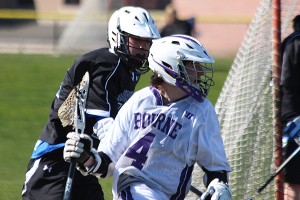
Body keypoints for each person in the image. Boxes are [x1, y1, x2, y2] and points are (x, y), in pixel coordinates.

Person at [63, 35, 232, 199]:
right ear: (170, 67)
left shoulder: (202, 110)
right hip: (132, 187)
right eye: (193, 66)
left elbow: (215, 168)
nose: (201, 73)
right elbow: (106, 164)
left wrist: (218, 187)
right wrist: (86, 157)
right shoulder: (139, 101)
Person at [21, 6, 160, 200]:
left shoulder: (127, 69)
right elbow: (102, 123)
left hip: (85, 159)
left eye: (147, 42)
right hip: (58, 158)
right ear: (117, 36)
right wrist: (133, 155)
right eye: (137, 40)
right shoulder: (106, 64)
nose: (143, 48)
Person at [281, 15, 300, 200]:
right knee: (295, 181)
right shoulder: (295, 43)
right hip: (296, 123)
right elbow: (287, 87)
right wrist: (293, 120)